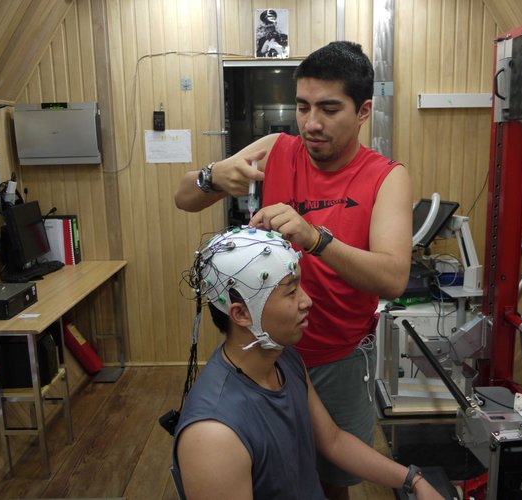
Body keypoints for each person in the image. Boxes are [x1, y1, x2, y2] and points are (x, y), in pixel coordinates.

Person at [174, 41, 412, 499]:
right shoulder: (277, 150)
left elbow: (392, 277)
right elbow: (185, 198)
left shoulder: (386, 176)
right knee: (269, 471)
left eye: (328, 109)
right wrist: (209, 177)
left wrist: (316, 238)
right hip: (270, 351)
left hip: (337, 359)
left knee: (331, 478)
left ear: (363, 111)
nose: (311, 123)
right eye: (303, 107)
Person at [172, 228, 440, 500]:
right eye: (291, 292)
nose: (307, 301)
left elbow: (333, 441)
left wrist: (414, 481)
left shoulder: (285, 358)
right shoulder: (213, 435)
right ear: (241, 313)